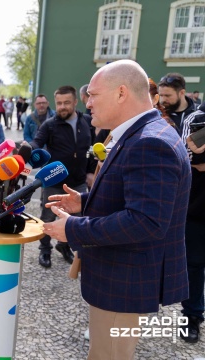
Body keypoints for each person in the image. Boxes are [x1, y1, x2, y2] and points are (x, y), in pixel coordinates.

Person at [43, 59, 191, 359]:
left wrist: (72, 227)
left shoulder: (149, 141)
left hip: (123, 284)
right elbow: (135, 199)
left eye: (94, 95)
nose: (88, 102)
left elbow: (145, 221)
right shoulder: (144, 133)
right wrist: (85, 203)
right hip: (121, 279)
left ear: (121, 93)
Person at [29, 85, 96, 268]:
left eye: (67, 102)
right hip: (53, 181)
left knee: (74, 218)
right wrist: (29, 150)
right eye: (59, 103)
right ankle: (45, 249)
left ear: (75, 102)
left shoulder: (88, 122)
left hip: (78, 183)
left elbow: (94, 149)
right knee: (48, 217)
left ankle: (64, 245)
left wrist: (91, 171)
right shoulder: (49, 124)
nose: (62, 107)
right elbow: (37, 142)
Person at [178, 100, 205, 343]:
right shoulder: (197, 118)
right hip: (198, 209)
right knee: (195, 265)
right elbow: (191, 154)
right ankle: (192, 315)